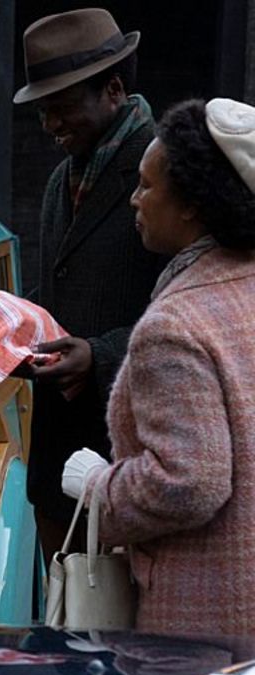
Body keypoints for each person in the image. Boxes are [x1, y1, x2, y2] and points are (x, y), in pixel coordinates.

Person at [61, 98, 255, 634]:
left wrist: (99, 485)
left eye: (147, 185)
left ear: (192, 203)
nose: (133, 199)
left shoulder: (175, 325)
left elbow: (187, 483)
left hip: (200, 619)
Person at [11, 8, 167, 558]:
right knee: (66, 626)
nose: (50, 124)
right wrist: (0, 327)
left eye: (61, 108)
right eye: (42, 111)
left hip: (128, 460)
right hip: (58, 459)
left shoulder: (165, 174)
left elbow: (193, 311)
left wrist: (99, 355)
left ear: (114, 90)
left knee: (118, 634)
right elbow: (57, 295)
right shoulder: (60, 179)